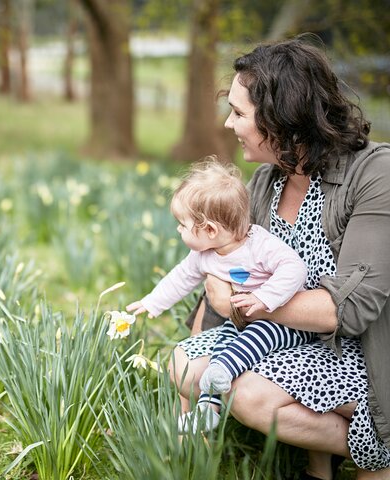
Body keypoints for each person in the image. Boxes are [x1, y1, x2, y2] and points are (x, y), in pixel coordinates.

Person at [169, 37, 390, 479]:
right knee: (184, 365)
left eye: (238, 113)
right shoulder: (266, 182)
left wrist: (242, 297)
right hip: (286, 341)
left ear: (281, 118)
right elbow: (218, 280)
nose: (229, 124)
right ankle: (321, 456)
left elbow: (351, 306)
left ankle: (375, 447)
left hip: (356, 351)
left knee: (249, 395)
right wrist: (186, 438)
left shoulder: (374, 173)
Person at [126, 158, 310, 434]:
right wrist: (153, 301)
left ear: (210, 230)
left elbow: (295, 268)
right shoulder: (203, 256)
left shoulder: (259, 244)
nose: (178, 229)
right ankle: (208, 410)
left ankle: (216, 388)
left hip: (283, 325)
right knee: (224, 344)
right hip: (242, 324)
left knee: (248, 340)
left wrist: (265, 298)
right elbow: (180, 277)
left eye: (183, 224)